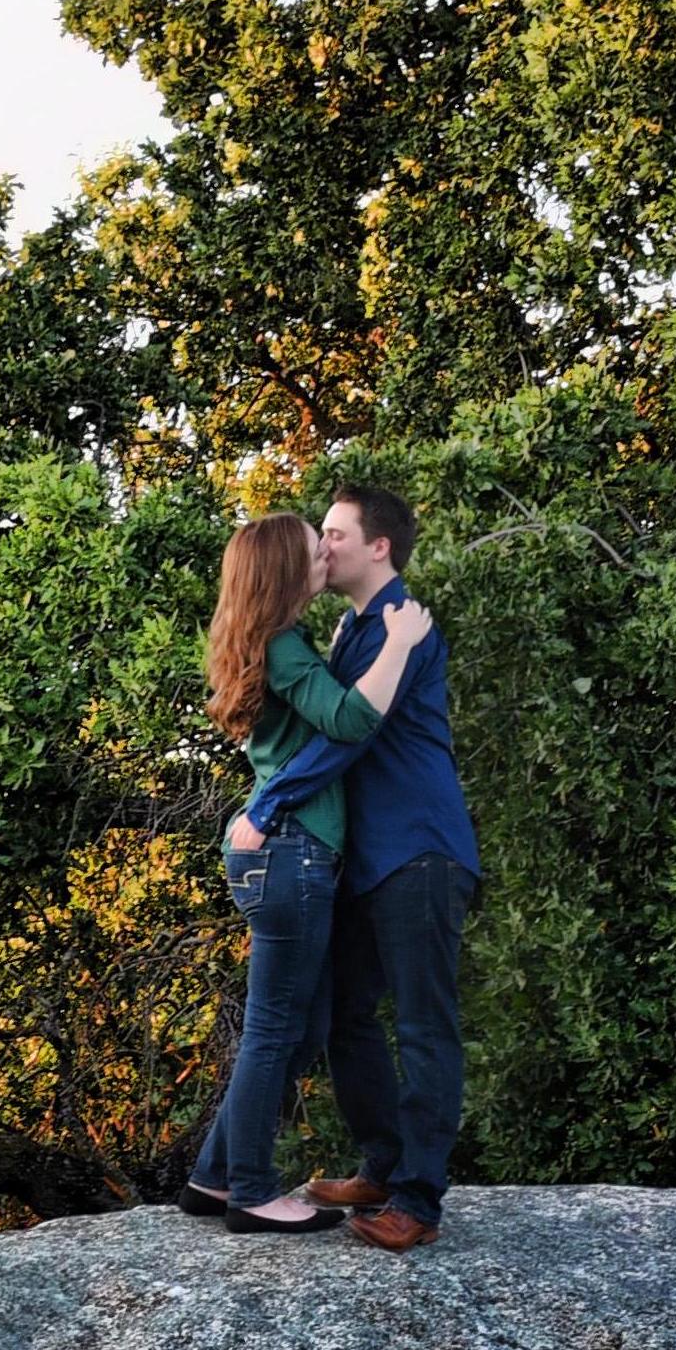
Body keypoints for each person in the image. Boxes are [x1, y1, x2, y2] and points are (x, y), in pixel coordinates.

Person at [236, 485, 479, 1253]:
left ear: (378, 547)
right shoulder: (348, 631)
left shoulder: (400, 627)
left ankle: (417, 1199)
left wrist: (267, 807)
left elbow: (348, 738)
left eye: (336, 534)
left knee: (422, 1024)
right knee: (344, 1015)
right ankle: (383, 1163)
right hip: (369, 859)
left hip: (419, 851)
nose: (324, 546)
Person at [189, 513, 433, 1232]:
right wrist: (398, 642)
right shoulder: (284, 646)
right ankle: (252, 1191)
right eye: (310, 548)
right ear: (285, 574)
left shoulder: (280, 643)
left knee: (303, 1026)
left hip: (280, 850)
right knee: (273, 1029)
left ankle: (211, 1175)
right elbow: (353, 721)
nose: (324, 553)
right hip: (291, 851)